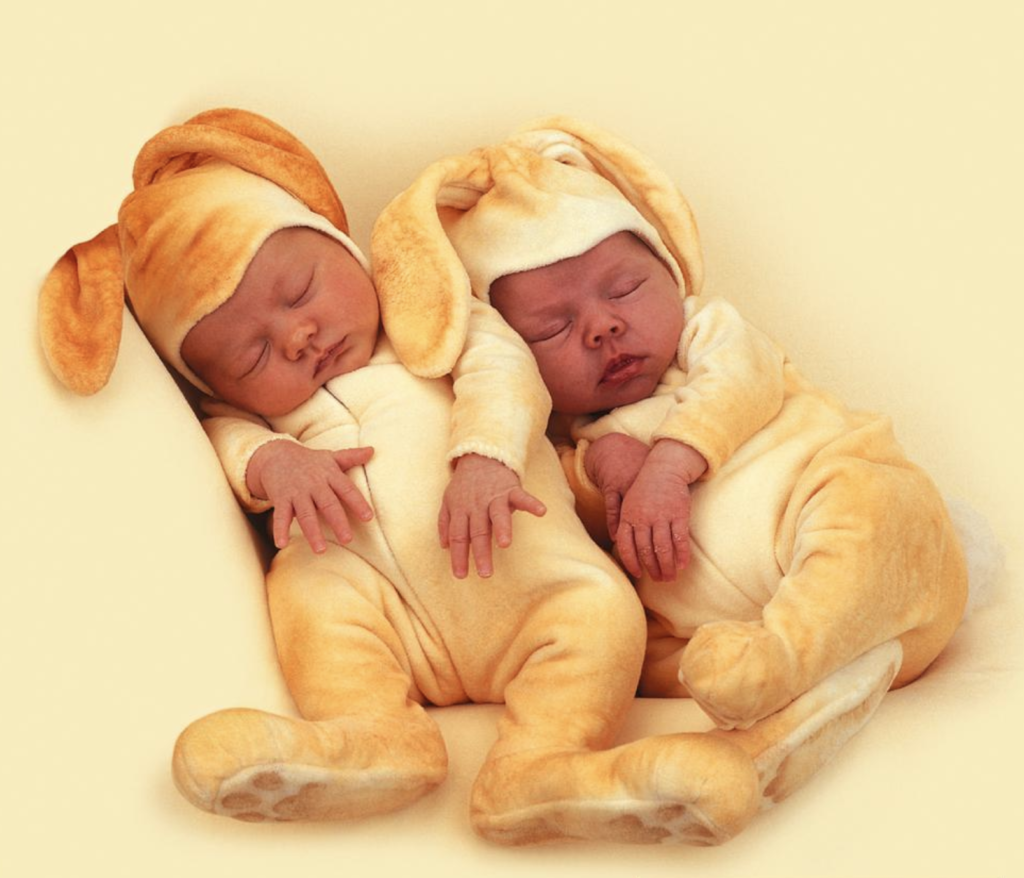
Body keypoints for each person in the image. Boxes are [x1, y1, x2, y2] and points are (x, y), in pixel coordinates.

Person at [38, 107, 898, 845]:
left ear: (342, 246)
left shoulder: (432, 331)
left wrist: (484, 459)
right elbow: (227, 443)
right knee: (311, 592)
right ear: (210, 383)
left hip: (521, 582)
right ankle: (374, 738)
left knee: (600, 614)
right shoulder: (255, 419)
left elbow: (504, 371)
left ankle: (536, 769)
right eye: (250, 352)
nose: (296, 337)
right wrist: (274, 458)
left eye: (301, 290)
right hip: (377, 602)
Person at [369, 115, 968, 733]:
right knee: (626, 637)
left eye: (625, 288)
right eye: (553, 328)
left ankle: (787, 660)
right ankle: (782, 692)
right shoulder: (565, 442)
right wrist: (601, 467)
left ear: (670, 272)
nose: (602, 327)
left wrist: (669, 465)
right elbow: (574, 524)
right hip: (718, 638)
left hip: (863, 552)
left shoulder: (708, 333)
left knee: (873, 503)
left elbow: (740, 384)